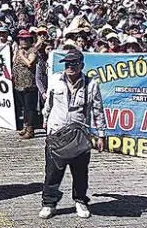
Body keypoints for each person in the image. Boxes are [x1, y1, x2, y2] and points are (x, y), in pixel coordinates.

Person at [40, 49, 106, 220]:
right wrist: (45, 119)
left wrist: (100, 135)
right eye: (67, 64)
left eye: (74, 64)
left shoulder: (91, 84)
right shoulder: (55, 79)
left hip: (80, 135)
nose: (70, 67)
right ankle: (49, 203)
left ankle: (80, 201)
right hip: (57, 133)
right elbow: (49, 102)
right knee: (53, 171)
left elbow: (98, 110)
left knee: (80, 172)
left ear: (81, 65)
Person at [13, 29, 40, 139]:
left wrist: (21, 54)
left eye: (25, 39)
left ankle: (30, 129)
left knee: (30, 108)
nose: (23, 41)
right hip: (19, 83)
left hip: (29, 84)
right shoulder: (18, 50)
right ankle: (25, 126)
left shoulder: (32, 50)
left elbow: (29, 63)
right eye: (21, 39)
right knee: (24, 107)